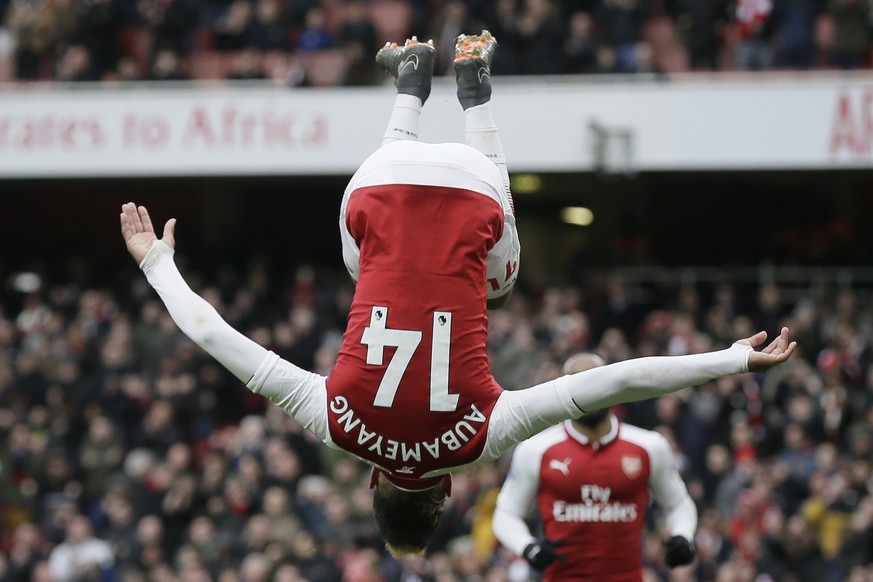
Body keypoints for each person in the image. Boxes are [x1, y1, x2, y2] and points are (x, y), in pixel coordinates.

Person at [120, 30, 797, 557]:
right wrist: (155, 263)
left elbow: (615, 383)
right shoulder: (328, 419)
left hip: (476, 186)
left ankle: (475, 97)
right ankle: (409, 90)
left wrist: (732, 359)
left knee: (498, 287)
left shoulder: (480, 441)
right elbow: (212, 334)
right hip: (377, 182)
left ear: (440, 494)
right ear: (373, 483)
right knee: (370, 261)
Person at [492, 353, 697, 581]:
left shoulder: (649, 446)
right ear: (562, 392)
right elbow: (507, 513)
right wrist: (528, 547)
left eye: (595, 381)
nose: (588, 392)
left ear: (611, 388)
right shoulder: (536, 449)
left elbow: (678, 504)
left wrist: (683, 535)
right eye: (578, 383)